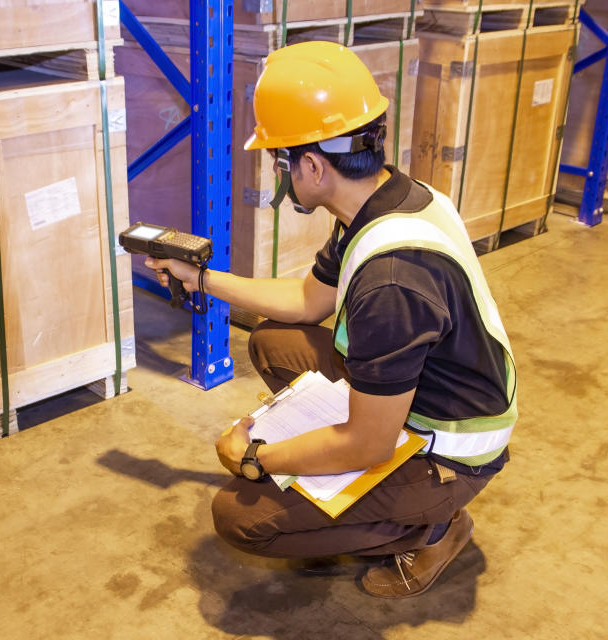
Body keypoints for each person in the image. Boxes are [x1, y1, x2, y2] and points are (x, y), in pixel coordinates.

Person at [144, 41, 516, 598]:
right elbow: (307, 301)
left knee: (242, 518)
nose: (278, 172)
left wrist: (254, 458)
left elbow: (366, 444)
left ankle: (433, 524)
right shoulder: (385, 199)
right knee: (275, 344)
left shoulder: (391, 279)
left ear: (313, 165)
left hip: (448, 448)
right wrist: (202, 279)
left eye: (280, 160)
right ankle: (398, 496)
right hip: (421, 395)